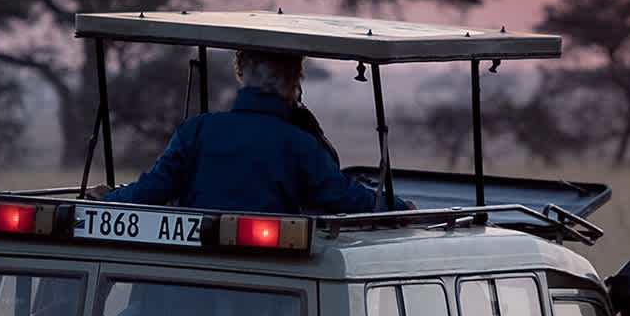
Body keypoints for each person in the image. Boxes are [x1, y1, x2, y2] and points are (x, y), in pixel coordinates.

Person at [90, 50, 400, 215]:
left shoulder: (196, 131)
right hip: (272, 288)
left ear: (241, 73)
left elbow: (151, 191)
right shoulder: (300, 145)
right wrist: (398, 207)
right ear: (295, 81)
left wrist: (111, 198)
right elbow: (342, 196)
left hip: (194, 284)